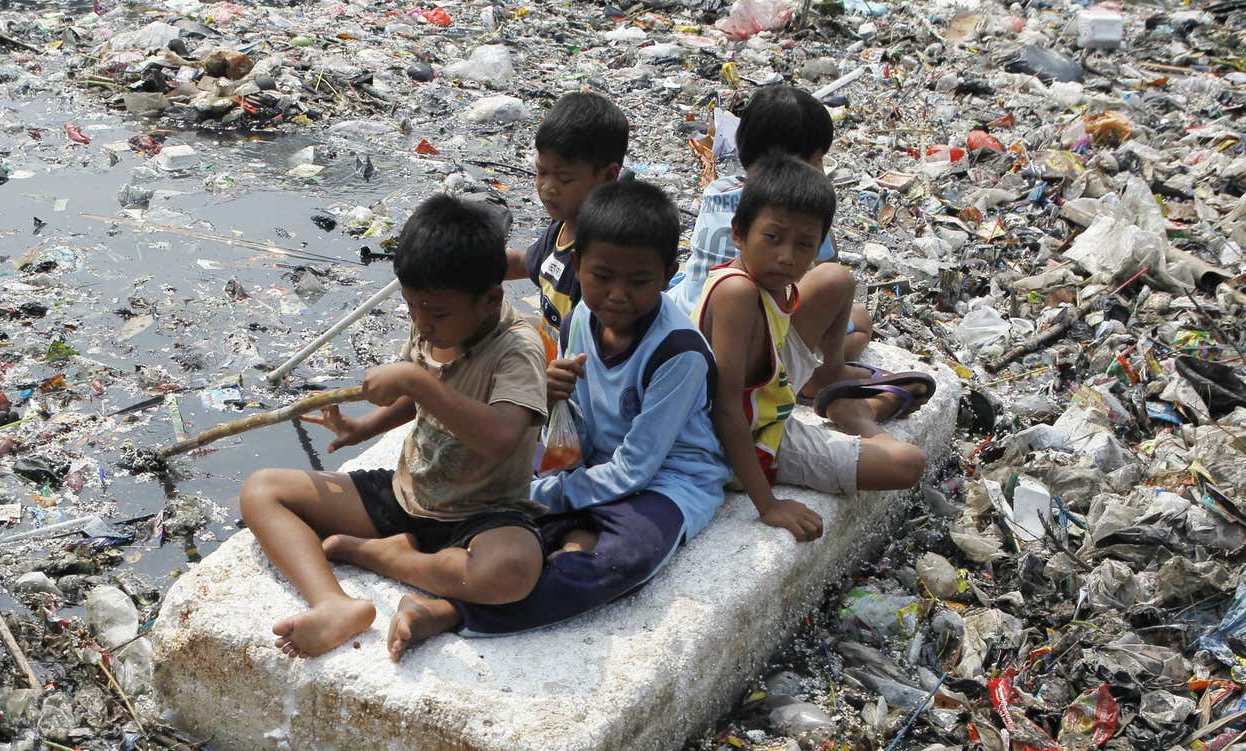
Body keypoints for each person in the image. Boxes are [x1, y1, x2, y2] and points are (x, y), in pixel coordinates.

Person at [375, 180, 730, 651]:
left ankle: (453, 610)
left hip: (668, 482)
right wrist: (554, 396)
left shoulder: (678, 353)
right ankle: (483, 555)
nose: (617, 295)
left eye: (639, 281)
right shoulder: (583, 316)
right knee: (505, 526)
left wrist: (546, 491)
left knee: (622, 563)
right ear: (578, 266)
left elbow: (638, 467)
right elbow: (576, 423)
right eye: (602, 276)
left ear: (669, 274)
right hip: (593, 465)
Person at [240, 194, 548, 660]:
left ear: (490, 300)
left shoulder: (517, 349)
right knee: (262, 491)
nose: (422, 325)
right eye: (412, 307)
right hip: (409, 494)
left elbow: (503, 436)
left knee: (512, 573)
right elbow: (416, 399)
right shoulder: (434, 325)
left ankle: (380, 555)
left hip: (481, 513)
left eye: (437, 312)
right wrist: (365, 427)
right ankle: (334, 604)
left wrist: (415, 382)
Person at [692, 153, 934, 543]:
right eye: (773, 238)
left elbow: (819, 280)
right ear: (738, 233)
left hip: (770, 391)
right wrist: (768, 505)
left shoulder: (763, 282)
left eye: (804, 245)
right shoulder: (735, 292)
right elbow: (724, 409)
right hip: (750, 439)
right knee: (907, 463)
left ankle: (829, 378)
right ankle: (859, 417)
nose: (787, 257)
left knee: (836, 279)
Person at [670, 85, 874, 396]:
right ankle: (821, 377)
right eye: (818, 161)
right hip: (748, 340)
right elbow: (823, 282)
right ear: (794, 164)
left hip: (690, 314)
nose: (821, 172)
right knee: (858, 320)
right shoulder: (799, 219)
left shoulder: (718, 190)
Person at [506, 91, 629, 336]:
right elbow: (525, 262)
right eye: (541, 172)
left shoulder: (603, 254)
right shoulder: (563, 227)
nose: (548, 188)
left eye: (564, 178)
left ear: (609, 176)